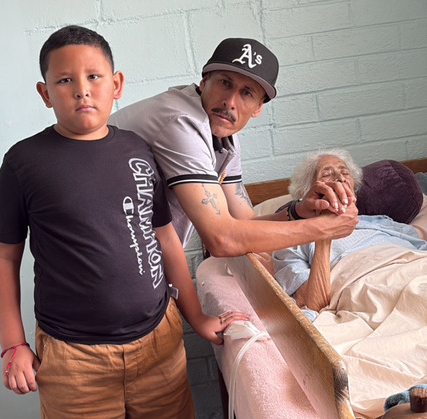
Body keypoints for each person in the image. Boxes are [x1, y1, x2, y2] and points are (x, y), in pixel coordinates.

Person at [0, 25, 248, 419]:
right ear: (45, 93)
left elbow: (165, 239)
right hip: (74, 361)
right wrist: (12, 344)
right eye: (65, 80)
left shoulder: (138, 149)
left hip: (159, 344)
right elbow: (2, 257)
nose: (81, 90)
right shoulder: (24, 163)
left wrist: (197, 317)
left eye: (94, 76)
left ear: (117, 84)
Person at [109, 38, 358, 256]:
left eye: (246, 93)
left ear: (258, 107)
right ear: (204, 81)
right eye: (225, 83)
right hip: (100, 253)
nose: (230, 101)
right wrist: (323, 228)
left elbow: (244, 221)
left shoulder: (222, 133)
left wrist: (299, 211)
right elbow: (221, 239)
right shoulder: (181, 122)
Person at [272, 149, 427, 312]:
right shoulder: (294, 241)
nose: (339, 178)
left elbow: (420, 249)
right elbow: (311, 304)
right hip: (374, 287)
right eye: (326, 175)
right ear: (308, 193)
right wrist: (325, 230)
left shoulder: (381, 221)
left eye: (345, 173)